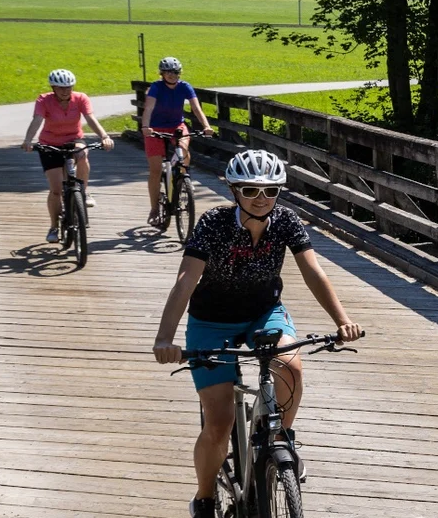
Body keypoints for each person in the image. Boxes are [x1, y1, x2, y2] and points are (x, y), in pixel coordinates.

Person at [150, 149, 364, 518]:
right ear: (234, 190)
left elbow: (314, 272)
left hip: (264, 313)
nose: (261, 198)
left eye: (270, 190)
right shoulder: (214, 223)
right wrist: (165, 338)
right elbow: (187, 279)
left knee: (290, 366)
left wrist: (342, 321)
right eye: (250, 190)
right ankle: (203, 499)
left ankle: (280, 439)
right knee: (219, 424)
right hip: (211, 321)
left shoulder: (286, 221)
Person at [20, 69, 114, 243]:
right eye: (60, 88)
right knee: (56, 190)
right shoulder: (44, 100)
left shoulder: (80, 98)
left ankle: (83, 192)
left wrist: (104, 136)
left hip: (73, 138)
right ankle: (54, 226)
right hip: (50, 143)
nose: (65, 91)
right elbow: (37, 119)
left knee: (82, 153)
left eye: (69, 87)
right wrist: (28, 140)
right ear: (53, 87)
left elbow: (90, 118)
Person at [139, 56, 213, 229]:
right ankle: (154, 208)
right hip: (155, 128)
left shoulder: (185, 87)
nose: (173, 75)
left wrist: (206, 126)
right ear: (162, 73)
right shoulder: (156, 88)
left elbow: (196, 108)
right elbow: (148, 108)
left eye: (176, 72)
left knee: (183, 149)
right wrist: (145, 126)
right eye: (169, 72)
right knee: (156, 170)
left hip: (175, 126)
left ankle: (183, 177)